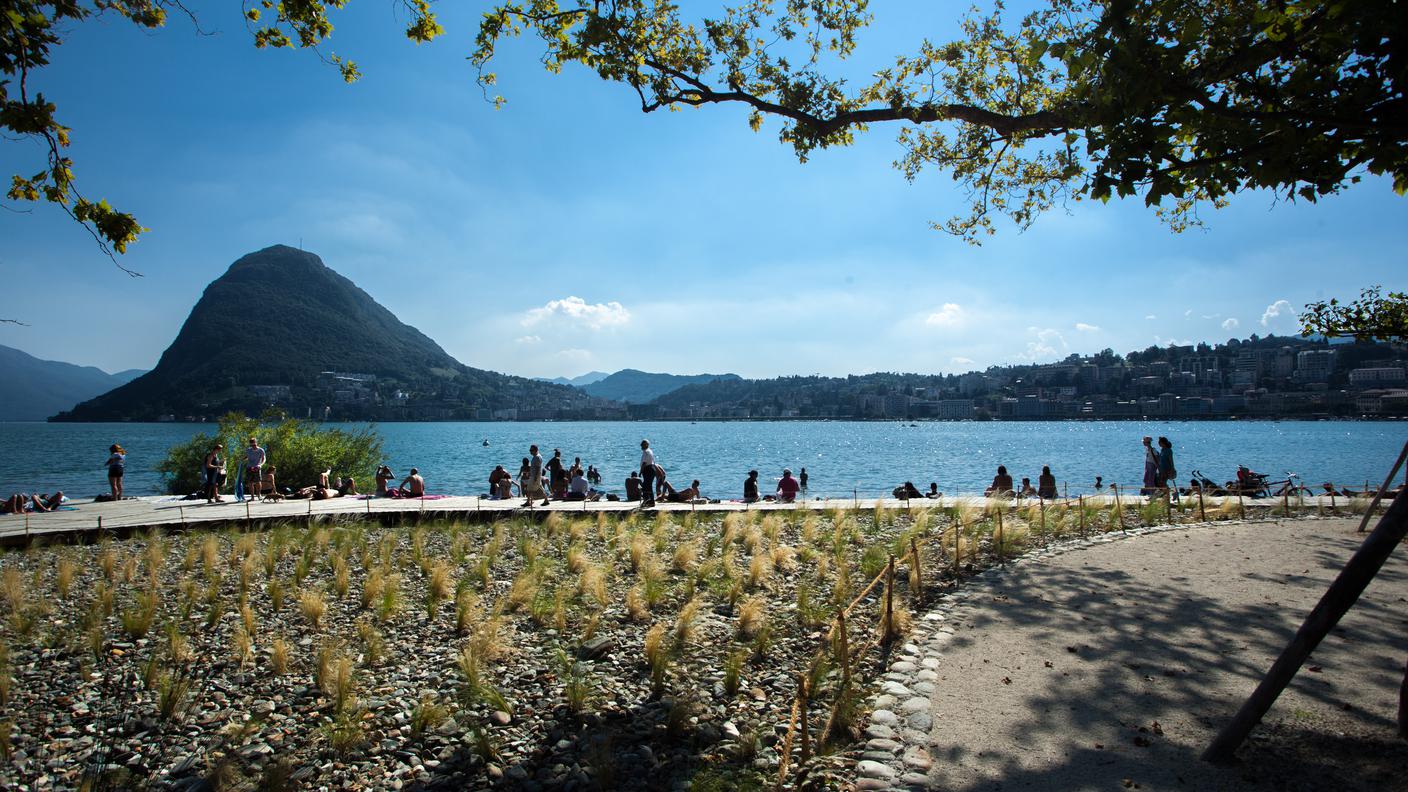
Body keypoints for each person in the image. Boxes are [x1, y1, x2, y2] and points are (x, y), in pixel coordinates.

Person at [244, 438, 267, 502]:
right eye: (252, 445)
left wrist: (261, 465)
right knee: (250, 482)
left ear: (256, 443)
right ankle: (252, 497)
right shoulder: (248, 450)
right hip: (249, 467)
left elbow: (264, 458)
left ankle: (259, 495)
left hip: (257, 467)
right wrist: (242, 460)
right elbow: (247, 457)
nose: (253, 446)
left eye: (254, 444)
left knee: (258, 481)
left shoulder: (260, 450)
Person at [1157, 436, 1178, 502]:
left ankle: (1172, 493)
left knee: (1162, 483)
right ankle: (1170, 494)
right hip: (1162, 469)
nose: (1158, 444)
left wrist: (1172, 469)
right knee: (1161, 483)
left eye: (1159, 443)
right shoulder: (1162, 450)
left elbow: (1171, 460)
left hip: (1167, 469)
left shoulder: (1169, 450)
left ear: (1163, 443)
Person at [640, 440, 657, 508]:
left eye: (642, 444)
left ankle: (648, 501)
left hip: (648, 469)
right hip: (651, 468)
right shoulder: (650, 451)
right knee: (648, 486)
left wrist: (640, 471)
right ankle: (650, 501)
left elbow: (644, 463)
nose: (641, 446)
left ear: (646, 445)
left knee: (646, 486)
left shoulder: (646, 452)